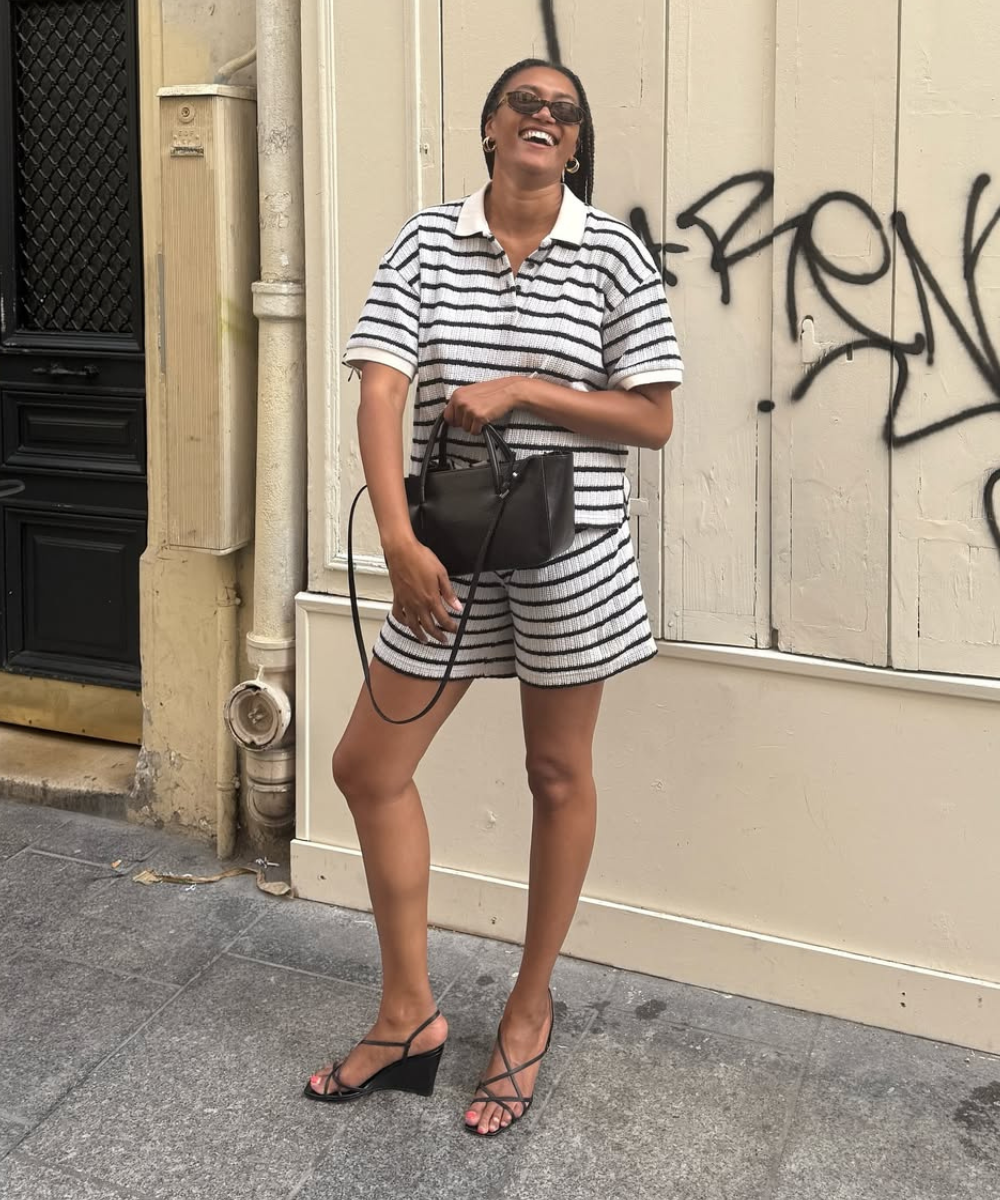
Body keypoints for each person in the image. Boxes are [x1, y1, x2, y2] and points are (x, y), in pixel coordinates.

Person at [304, 57, 683, 1136]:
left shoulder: (612, 252)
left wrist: (520, 388)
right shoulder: (426, 240)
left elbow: (653, 417)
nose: (544, 119)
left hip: (575, 551)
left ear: (574, 144)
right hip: (447, 548)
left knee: (555, 772)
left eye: (564, 113)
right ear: (487, 128)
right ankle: (406, 1016)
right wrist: (392, 533)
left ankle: (526, 1011)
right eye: (525, 103)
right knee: (367, 766)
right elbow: (382, 383)